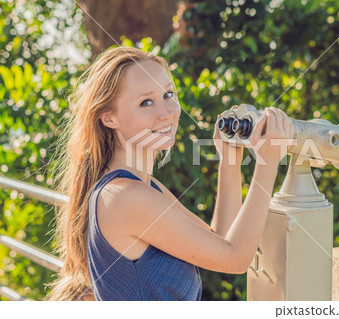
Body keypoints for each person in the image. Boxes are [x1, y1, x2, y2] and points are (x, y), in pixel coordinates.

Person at [46, 46, 293, 301]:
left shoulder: (142, 187)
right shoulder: (126, 196)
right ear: (109, 118)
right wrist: (268, 162)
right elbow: (236, 260)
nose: (166, 113)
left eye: (168, 94)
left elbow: (220, 240)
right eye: (146, 102)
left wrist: (229, 161)